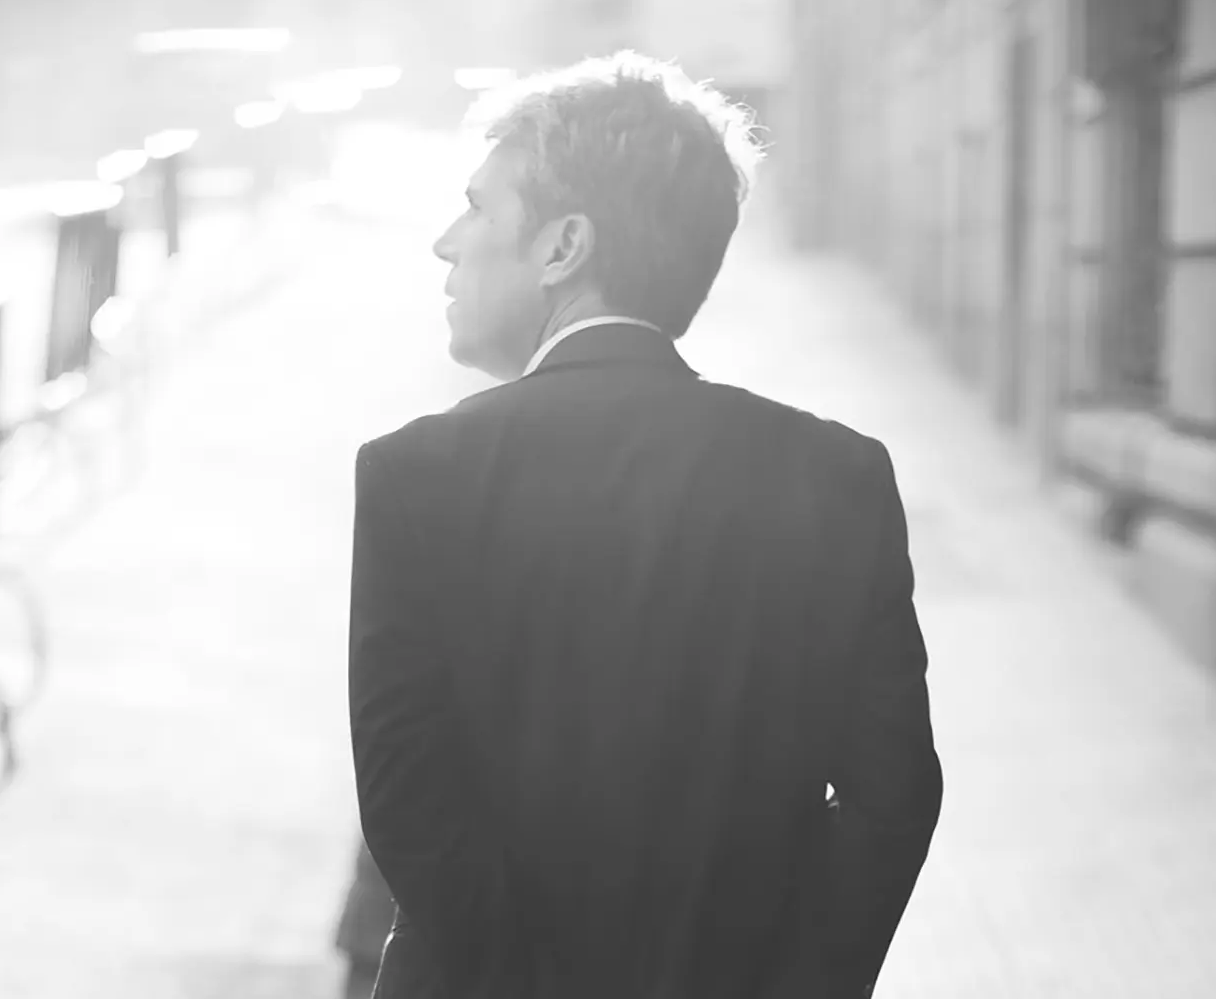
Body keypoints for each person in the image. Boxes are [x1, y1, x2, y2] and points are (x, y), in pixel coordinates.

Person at [347, 52, 943, 999]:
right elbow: (894, 794)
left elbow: (407, 803)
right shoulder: (838, 478)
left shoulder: (418, 476)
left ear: (563, 246)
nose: (445, 244)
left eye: (476, 207)